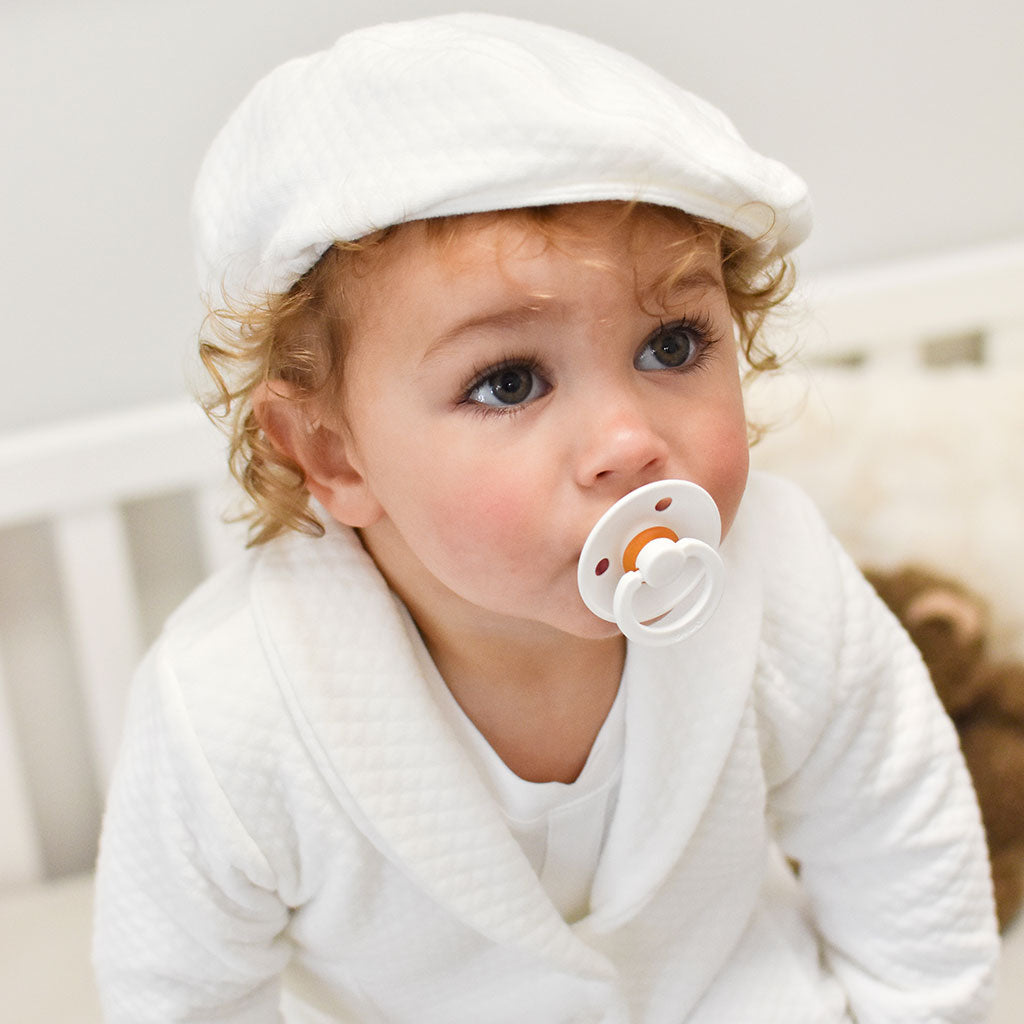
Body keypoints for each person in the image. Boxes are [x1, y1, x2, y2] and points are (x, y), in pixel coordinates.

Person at [92, 13, 999, 1023]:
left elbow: (898, 842)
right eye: (509, 379)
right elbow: (180, 997)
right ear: (332, 456)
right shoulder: (232, 710)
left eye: (671, 345)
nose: (626, 438)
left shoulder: (778, 573)